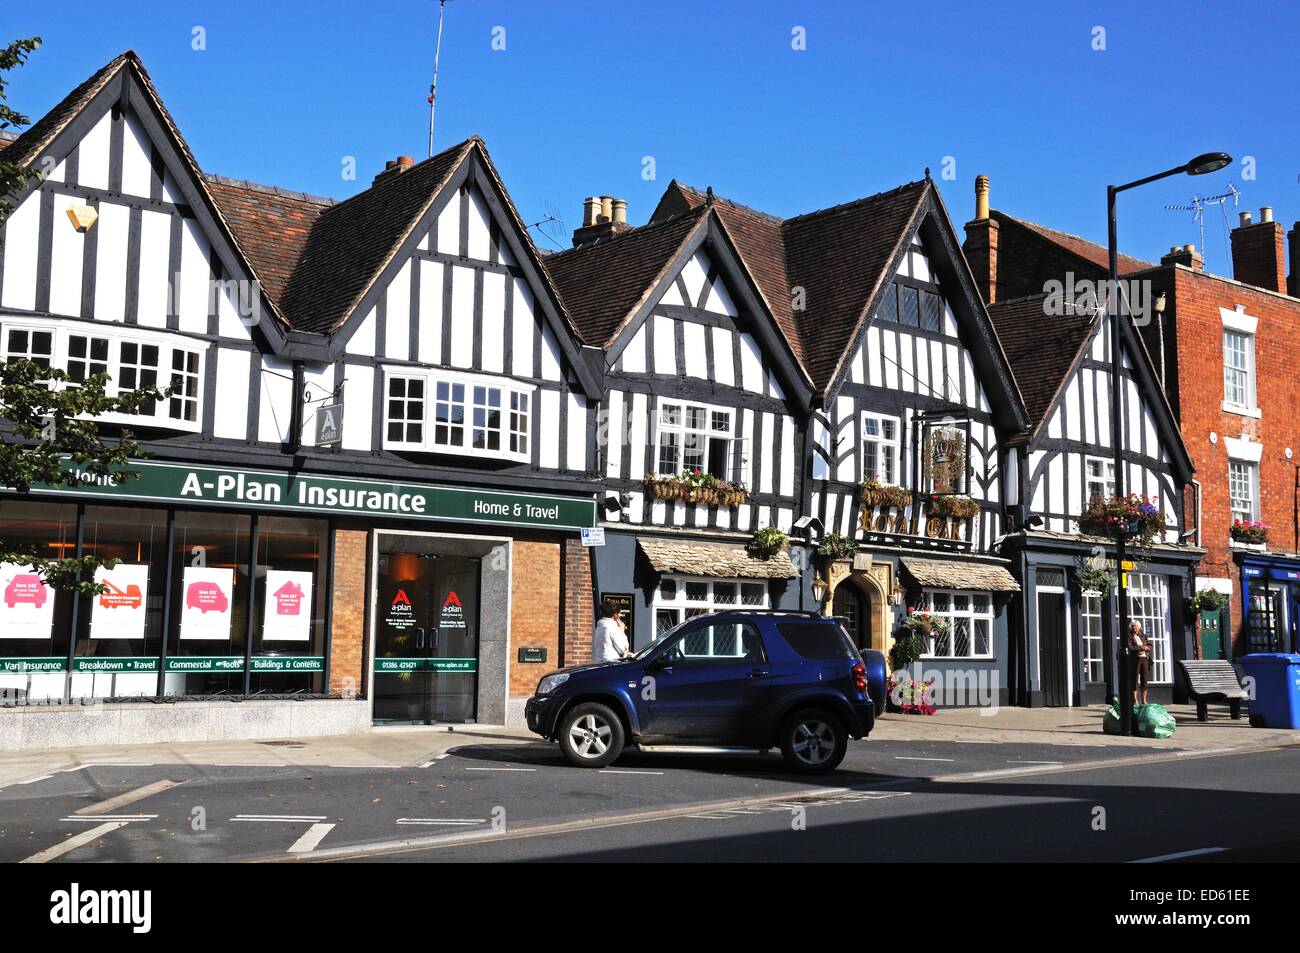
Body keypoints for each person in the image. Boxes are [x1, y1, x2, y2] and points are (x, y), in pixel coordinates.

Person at [1128, 621, 1150, 706]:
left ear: (1139, 627)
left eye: (1136, 626)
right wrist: (1140, 648)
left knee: (1144, 679)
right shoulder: (1129, 636)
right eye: (1133, 626)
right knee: (1135, 679)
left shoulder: (1143, 636)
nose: (1134, 628)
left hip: (1145, 658)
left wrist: (1147, 648)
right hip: (1135, 659)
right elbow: (1130, 648)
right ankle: (1135, 701)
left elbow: (1150, 645)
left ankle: (1144, 700)